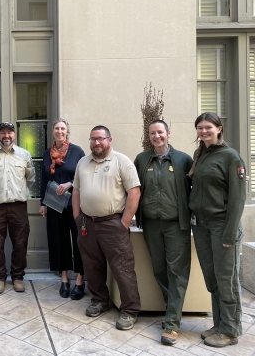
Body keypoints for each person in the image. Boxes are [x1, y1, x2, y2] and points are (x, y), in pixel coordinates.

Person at [72, 125, 141, 330]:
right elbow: (76, 190)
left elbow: (134, 192)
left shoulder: (122, 161)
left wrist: (124, 222)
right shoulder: (83, 162)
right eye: (93, 139)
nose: (97, 143)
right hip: (87, 223)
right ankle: (99, 300)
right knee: (92, 265)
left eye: (101, 139)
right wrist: (77, 217)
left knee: (122, 267)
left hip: (113, 223)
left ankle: (129, 310)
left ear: (109, 140)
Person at [188, 112, 246, 348]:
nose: (203, 131)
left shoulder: (231, 157)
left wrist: (230, 234)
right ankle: (219, 324)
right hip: (201, 226)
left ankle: (230, 330)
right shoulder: (199, 154)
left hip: (223, 227)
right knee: (212, 279)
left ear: (219, 128)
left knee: (227, 280)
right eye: (200, 128)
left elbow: (238, 198)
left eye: (208, 127)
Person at [134, 120, 193, 345]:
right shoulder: (141, 159)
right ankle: (172, 312)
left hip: (175, 225)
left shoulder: (183, 159)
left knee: (177, 272)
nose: (156, 136)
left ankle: (171, 324)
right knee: (159, 269)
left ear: (168, 133)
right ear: (148, 136)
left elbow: (198, 186)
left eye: (160, 132)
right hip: (151, 224)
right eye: (152, 133)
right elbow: (134, 187)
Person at [0, 122, 35, 294]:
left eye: (9, 133)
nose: (6, 136)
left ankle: (17, 277)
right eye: (3, 132)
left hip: (18, 206)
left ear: (14, 135)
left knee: (20, 243)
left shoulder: (24, 155)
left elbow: (30, 178)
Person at [39, 118, 85, 299]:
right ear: (53, 132)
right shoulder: (46, 153)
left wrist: (70, 183)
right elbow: (44, 180)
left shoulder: (77, 152)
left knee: (78, 242)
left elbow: (84, 176)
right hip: (54, 203)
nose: (59, 131)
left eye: (63, 128)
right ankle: (64, 279)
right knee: (59, 241)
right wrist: (42, 203)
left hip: (74, 204)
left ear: (67, 132)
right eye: (57, 128)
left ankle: (80, 280)